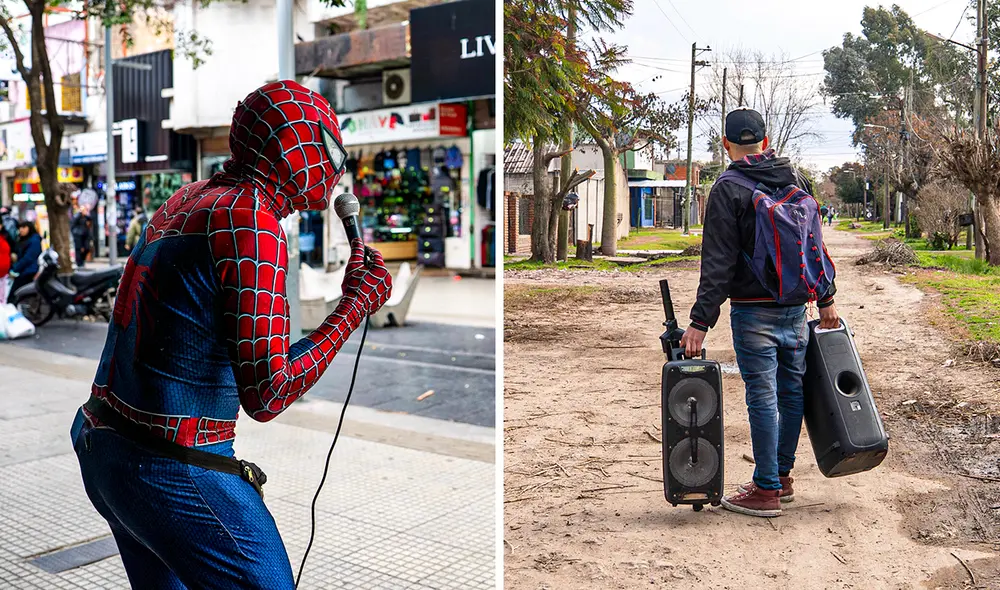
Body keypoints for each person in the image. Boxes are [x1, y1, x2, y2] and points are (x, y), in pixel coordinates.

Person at [70, 80, 393, 588]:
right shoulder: (251, 220)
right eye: (327, 147)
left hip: (102, 439)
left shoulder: (190, 197)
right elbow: (269, 391)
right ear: (292, 145)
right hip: (172, 462)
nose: (336, 168)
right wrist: (354, 306)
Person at [680, 108, 839, 518]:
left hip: (753, 313)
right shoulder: (796, 179)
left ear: (726, 144)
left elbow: (717, 262)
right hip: (795, 309)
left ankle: (766, 489)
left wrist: (699, 322)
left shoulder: (727, 188)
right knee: (791, 394)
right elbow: (815, 247)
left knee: (763, 397)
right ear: (766, 143)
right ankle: (781, 476)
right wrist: (826, 300)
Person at [10, 221, 42, 297]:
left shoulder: (34, 240)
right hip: (24, 271)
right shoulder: (24, 239)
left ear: (29, 228)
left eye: (24, 227)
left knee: (15, 297)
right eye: (19, 228)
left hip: (29, 273)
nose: (21, 230)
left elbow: (28, 258)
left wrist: (15, 269)